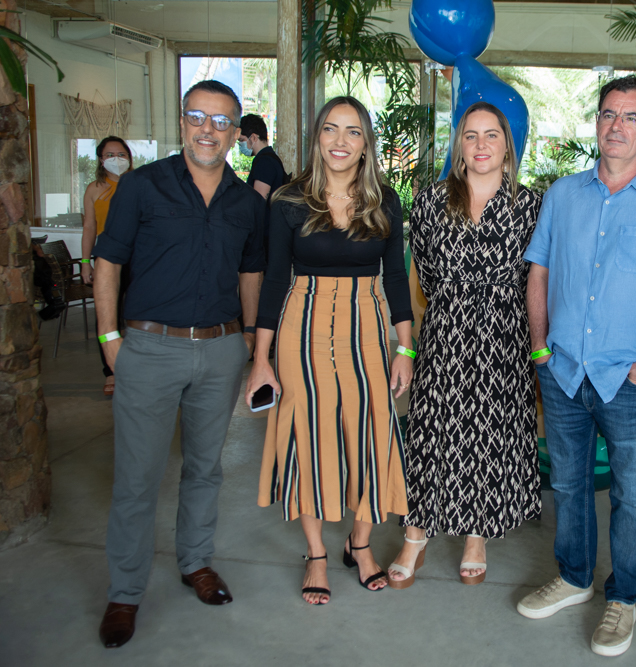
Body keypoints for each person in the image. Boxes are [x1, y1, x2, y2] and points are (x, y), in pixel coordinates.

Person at [517, 75, 636, 657]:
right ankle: (574, 578)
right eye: (608, 114)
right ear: (597, 122)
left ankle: (622, 598)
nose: (616, 126)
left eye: (631, 117)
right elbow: (539, 272)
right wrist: (540, 349)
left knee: (633, 496)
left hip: (630, 380)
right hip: (563, 372)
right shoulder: (563, 195)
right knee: (568, 484)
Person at [93, 80, 266, 649]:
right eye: (197, 117)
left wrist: (247, 339)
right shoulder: (142, 186)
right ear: (183, 122)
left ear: (235, 132)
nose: (207, 130)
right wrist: (110, 340)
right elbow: (108, 262)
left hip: (220, 350)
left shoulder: (246, 202)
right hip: (149, 348)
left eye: (220, 121)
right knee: (137, 478)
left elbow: (251, 272)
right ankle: (125, 592)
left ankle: (196, 562)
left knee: (205, 469)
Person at [246, 96, 413, 605]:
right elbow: (275, 280)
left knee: (372, 432)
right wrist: (261, 360)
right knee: (309, 433)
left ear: (366, 144)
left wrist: (405, 349)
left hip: (367, 326)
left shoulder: (385, 200)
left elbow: (396, 277)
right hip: (302, 325)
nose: (341, 141)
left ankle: (359, 545)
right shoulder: (289, 200)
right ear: (317, 137)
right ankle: (316, 553)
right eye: (331, 129)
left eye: (353, 131)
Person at [386, 102, 542, 590]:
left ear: (507, 145)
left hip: (504, 337)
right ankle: (416, 535)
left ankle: (477, 535)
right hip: (446, 332)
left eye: (491, 134)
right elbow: (423, 275)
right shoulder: (431, 201)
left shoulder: (532, 205)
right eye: (470, 135)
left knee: (489, 433)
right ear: (460, 145)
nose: (480, 144)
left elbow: (539, 278)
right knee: (432, 432)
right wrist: (418, 339)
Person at [82, 136, 133, 396]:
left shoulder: (138, 184)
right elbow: (89, 227)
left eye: (121, 154)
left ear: (129, 157)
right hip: (106, 258)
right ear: (101, 159)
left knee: (138, 313)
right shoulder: (94, 189)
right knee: (107, 314)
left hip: (137, 256)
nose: (116, 159)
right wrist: (85, 262)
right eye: (110, 155)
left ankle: (139, 366)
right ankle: (110, 370)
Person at [239, 113, 286, 201]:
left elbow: (258, 203)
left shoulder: (265, 162)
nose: (240, 144)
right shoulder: (269, 158)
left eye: (242, 140)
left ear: (253, 137)